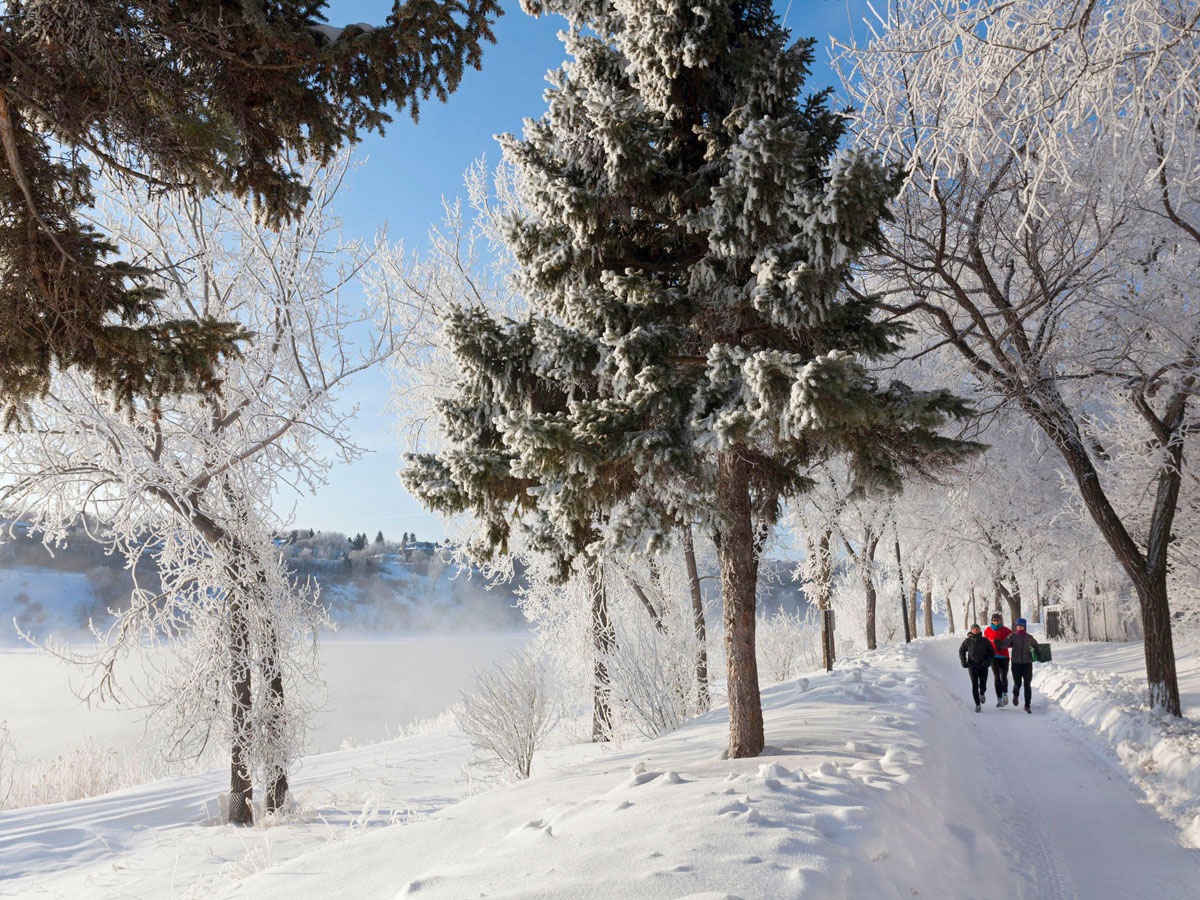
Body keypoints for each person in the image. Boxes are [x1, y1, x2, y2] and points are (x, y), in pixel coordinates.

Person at [998, 618, 1042, 713]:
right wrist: (999, 644)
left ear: (1024, 627)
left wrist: (1038, 652)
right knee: (1017, 683)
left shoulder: (1029, 637)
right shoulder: (1012, 636)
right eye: (1018, 626)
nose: (1019, 627)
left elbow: (1036, 645)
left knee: (1027, 684)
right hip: (1016, 664)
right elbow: (1005, 644)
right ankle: (1016, 694)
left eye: (1021, 626)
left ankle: (1027, 705)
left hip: (1027, 664)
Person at [959, 624, 995, 712]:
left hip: (983, 666)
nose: (975, 630)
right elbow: (961, 651)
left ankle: (982, 693)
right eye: (974, 629)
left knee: (983, 684)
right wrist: (963, 661)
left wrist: (987, 662)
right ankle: (977, 704)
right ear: (971, 630)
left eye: (977, 629)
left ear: (979, 630)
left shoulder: (985, 641)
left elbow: (991, 652)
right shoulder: (967, 641)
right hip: (972, 666)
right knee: (974, 684)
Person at [984, 612, 1012, 707]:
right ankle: (999, 699)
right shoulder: (987, 631)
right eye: (994, 620)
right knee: (997, 678)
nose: (996, 622)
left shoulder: (1006, 630)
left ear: (1000, 620)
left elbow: (1012, 642)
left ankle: (1005, 693)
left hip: (1004, 657)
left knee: (1003, 677)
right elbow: (985, 644)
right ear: (991, 621)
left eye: (998, 620)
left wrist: (1003, 644)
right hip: (993, 657)